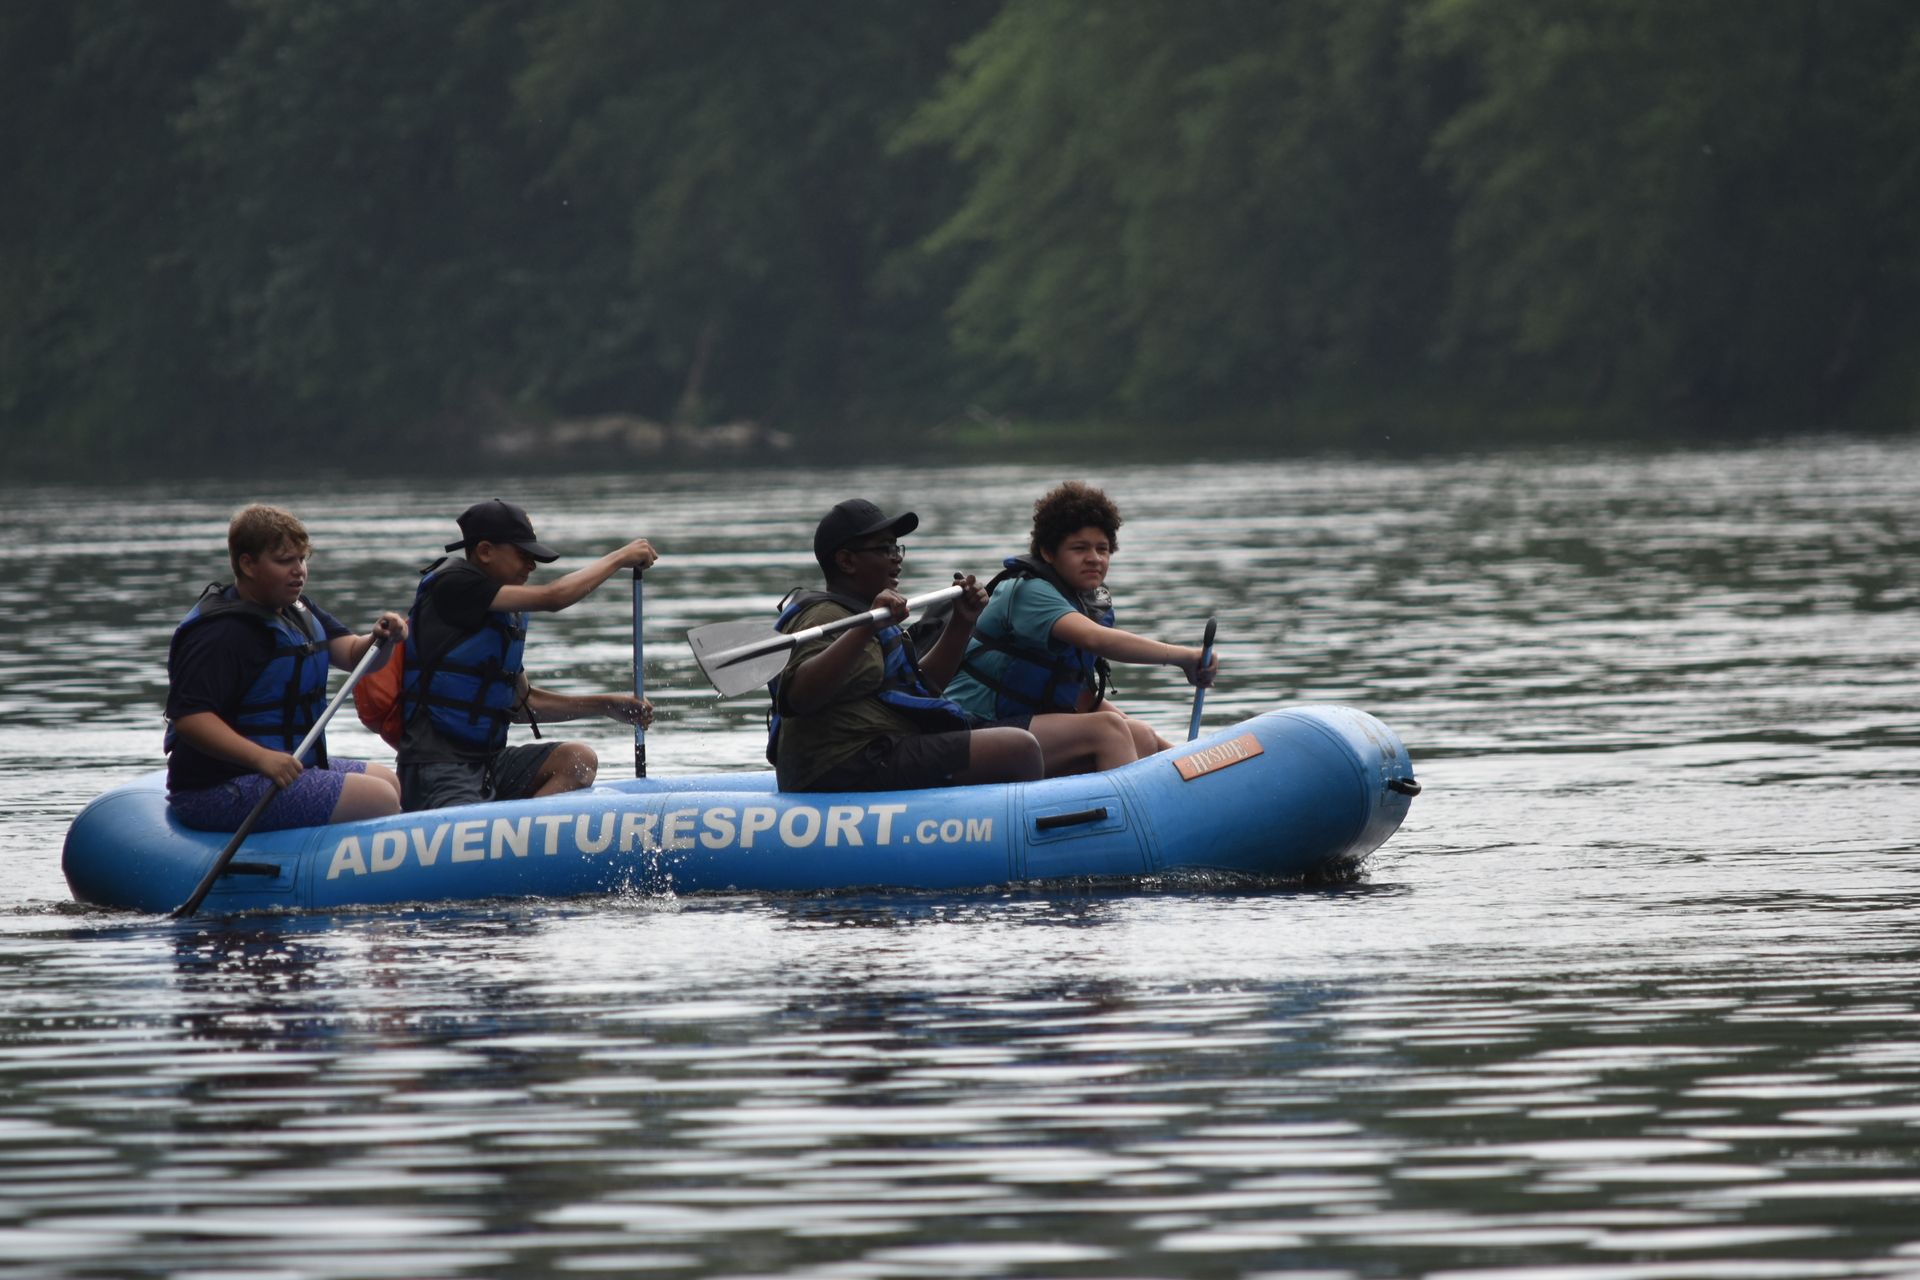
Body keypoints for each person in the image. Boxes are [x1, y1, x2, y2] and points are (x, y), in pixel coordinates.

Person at [768, 498, 1045, 793]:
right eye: (883, 549)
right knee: (1019, 748)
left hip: (881, 750)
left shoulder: (865, 612)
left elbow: (926, 685)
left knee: (1021, 744)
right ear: (847, 561)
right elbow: (799, 697)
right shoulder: (824, 616)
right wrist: (866, 628)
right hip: (842, 764)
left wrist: (962, 622)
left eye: (896, 547)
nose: (896, 558)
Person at [396, 499, 657, 811]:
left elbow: (523, 705)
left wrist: (607, 705)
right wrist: (620, 557)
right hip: (438, 768)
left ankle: (521, 833)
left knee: (577, 760)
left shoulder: (504, 615)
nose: (532, 566)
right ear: (485, 551)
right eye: (523, 555)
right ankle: (506, 841)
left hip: (490, 765)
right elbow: (554, 597)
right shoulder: (454, 586)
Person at [165, 503, 408, 832]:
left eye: (302, 559)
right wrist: (261, 758)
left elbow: (353, 655)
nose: (299, 571)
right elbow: (189, 719)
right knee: (377, 797)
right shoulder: (221, 633)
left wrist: (382, 639)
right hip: (219, 787)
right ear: (247, 564)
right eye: (284, 561)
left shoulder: (294, 608)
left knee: (389, 782)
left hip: (283, 768)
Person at [944, 481, 1216, 772]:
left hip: (1023, 725)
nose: (1095, 558)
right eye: (1079, 548)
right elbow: (1096, 639)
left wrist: (1182, 757)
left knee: (1139, 733)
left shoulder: (1082, 601)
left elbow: (1081, 697)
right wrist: (1186, 657)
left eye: (1103, 549)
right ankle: (1135, 816)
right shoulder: (1029, 591)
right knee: (1107, 730)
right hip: (972, 729)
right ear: (1048, 552)